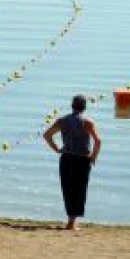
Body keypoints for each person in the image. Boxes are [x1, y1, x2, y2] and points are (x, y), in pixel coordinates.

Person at [43, 94, 102, 230]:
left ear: (72, 106)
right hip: (82, 160)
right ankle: (72, 221)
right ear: (84, 107)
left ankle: (71, 220)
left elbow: (47, 135)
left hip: (67, 158)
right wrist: (93, 157)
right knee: (80, 189)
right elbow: (98, 141)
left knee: (68, 188)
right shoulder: (88, 122)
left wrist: (57, 149)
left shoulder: (62, 121)